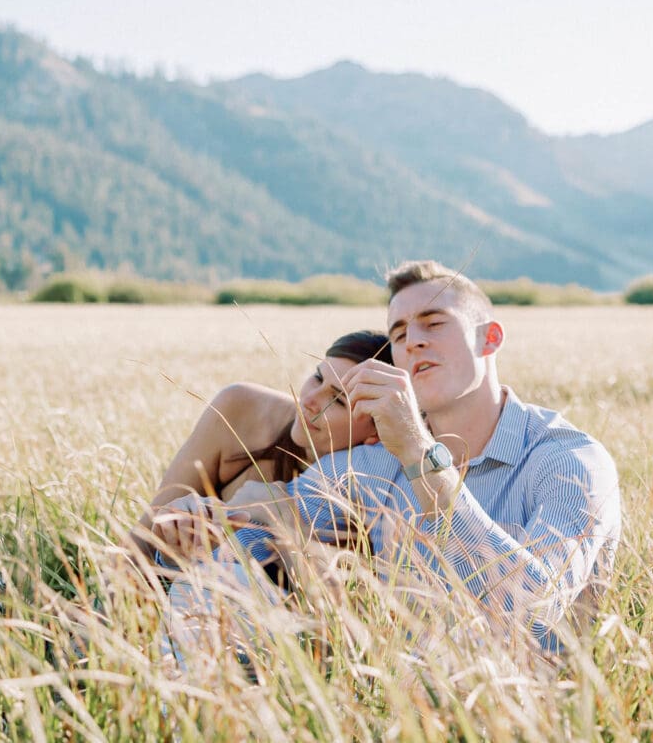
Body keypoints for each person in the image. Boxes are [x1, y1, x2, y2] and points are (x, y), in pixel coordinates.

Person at [151, 260, 622, 650]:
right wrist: (211, 522)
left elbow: (532, 612)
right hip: (396, 705)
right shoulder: (378, 461)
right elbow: (280, 505)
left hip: (522, 715)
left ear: (490, 338)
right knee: (220, 582)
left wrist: (421, 454)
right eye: (399, 333)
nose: (413, 340)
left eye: (434, 324)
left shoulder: (570, 462)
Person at [122, 329, 392, 575]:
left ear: (375, 432)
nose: (309, 401)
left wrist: (284, 517)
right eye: (318, 377)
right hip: (165, 599)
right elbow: (141, 542)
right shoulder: (241, 409)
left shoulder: (374, 490)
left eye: (338, 400)